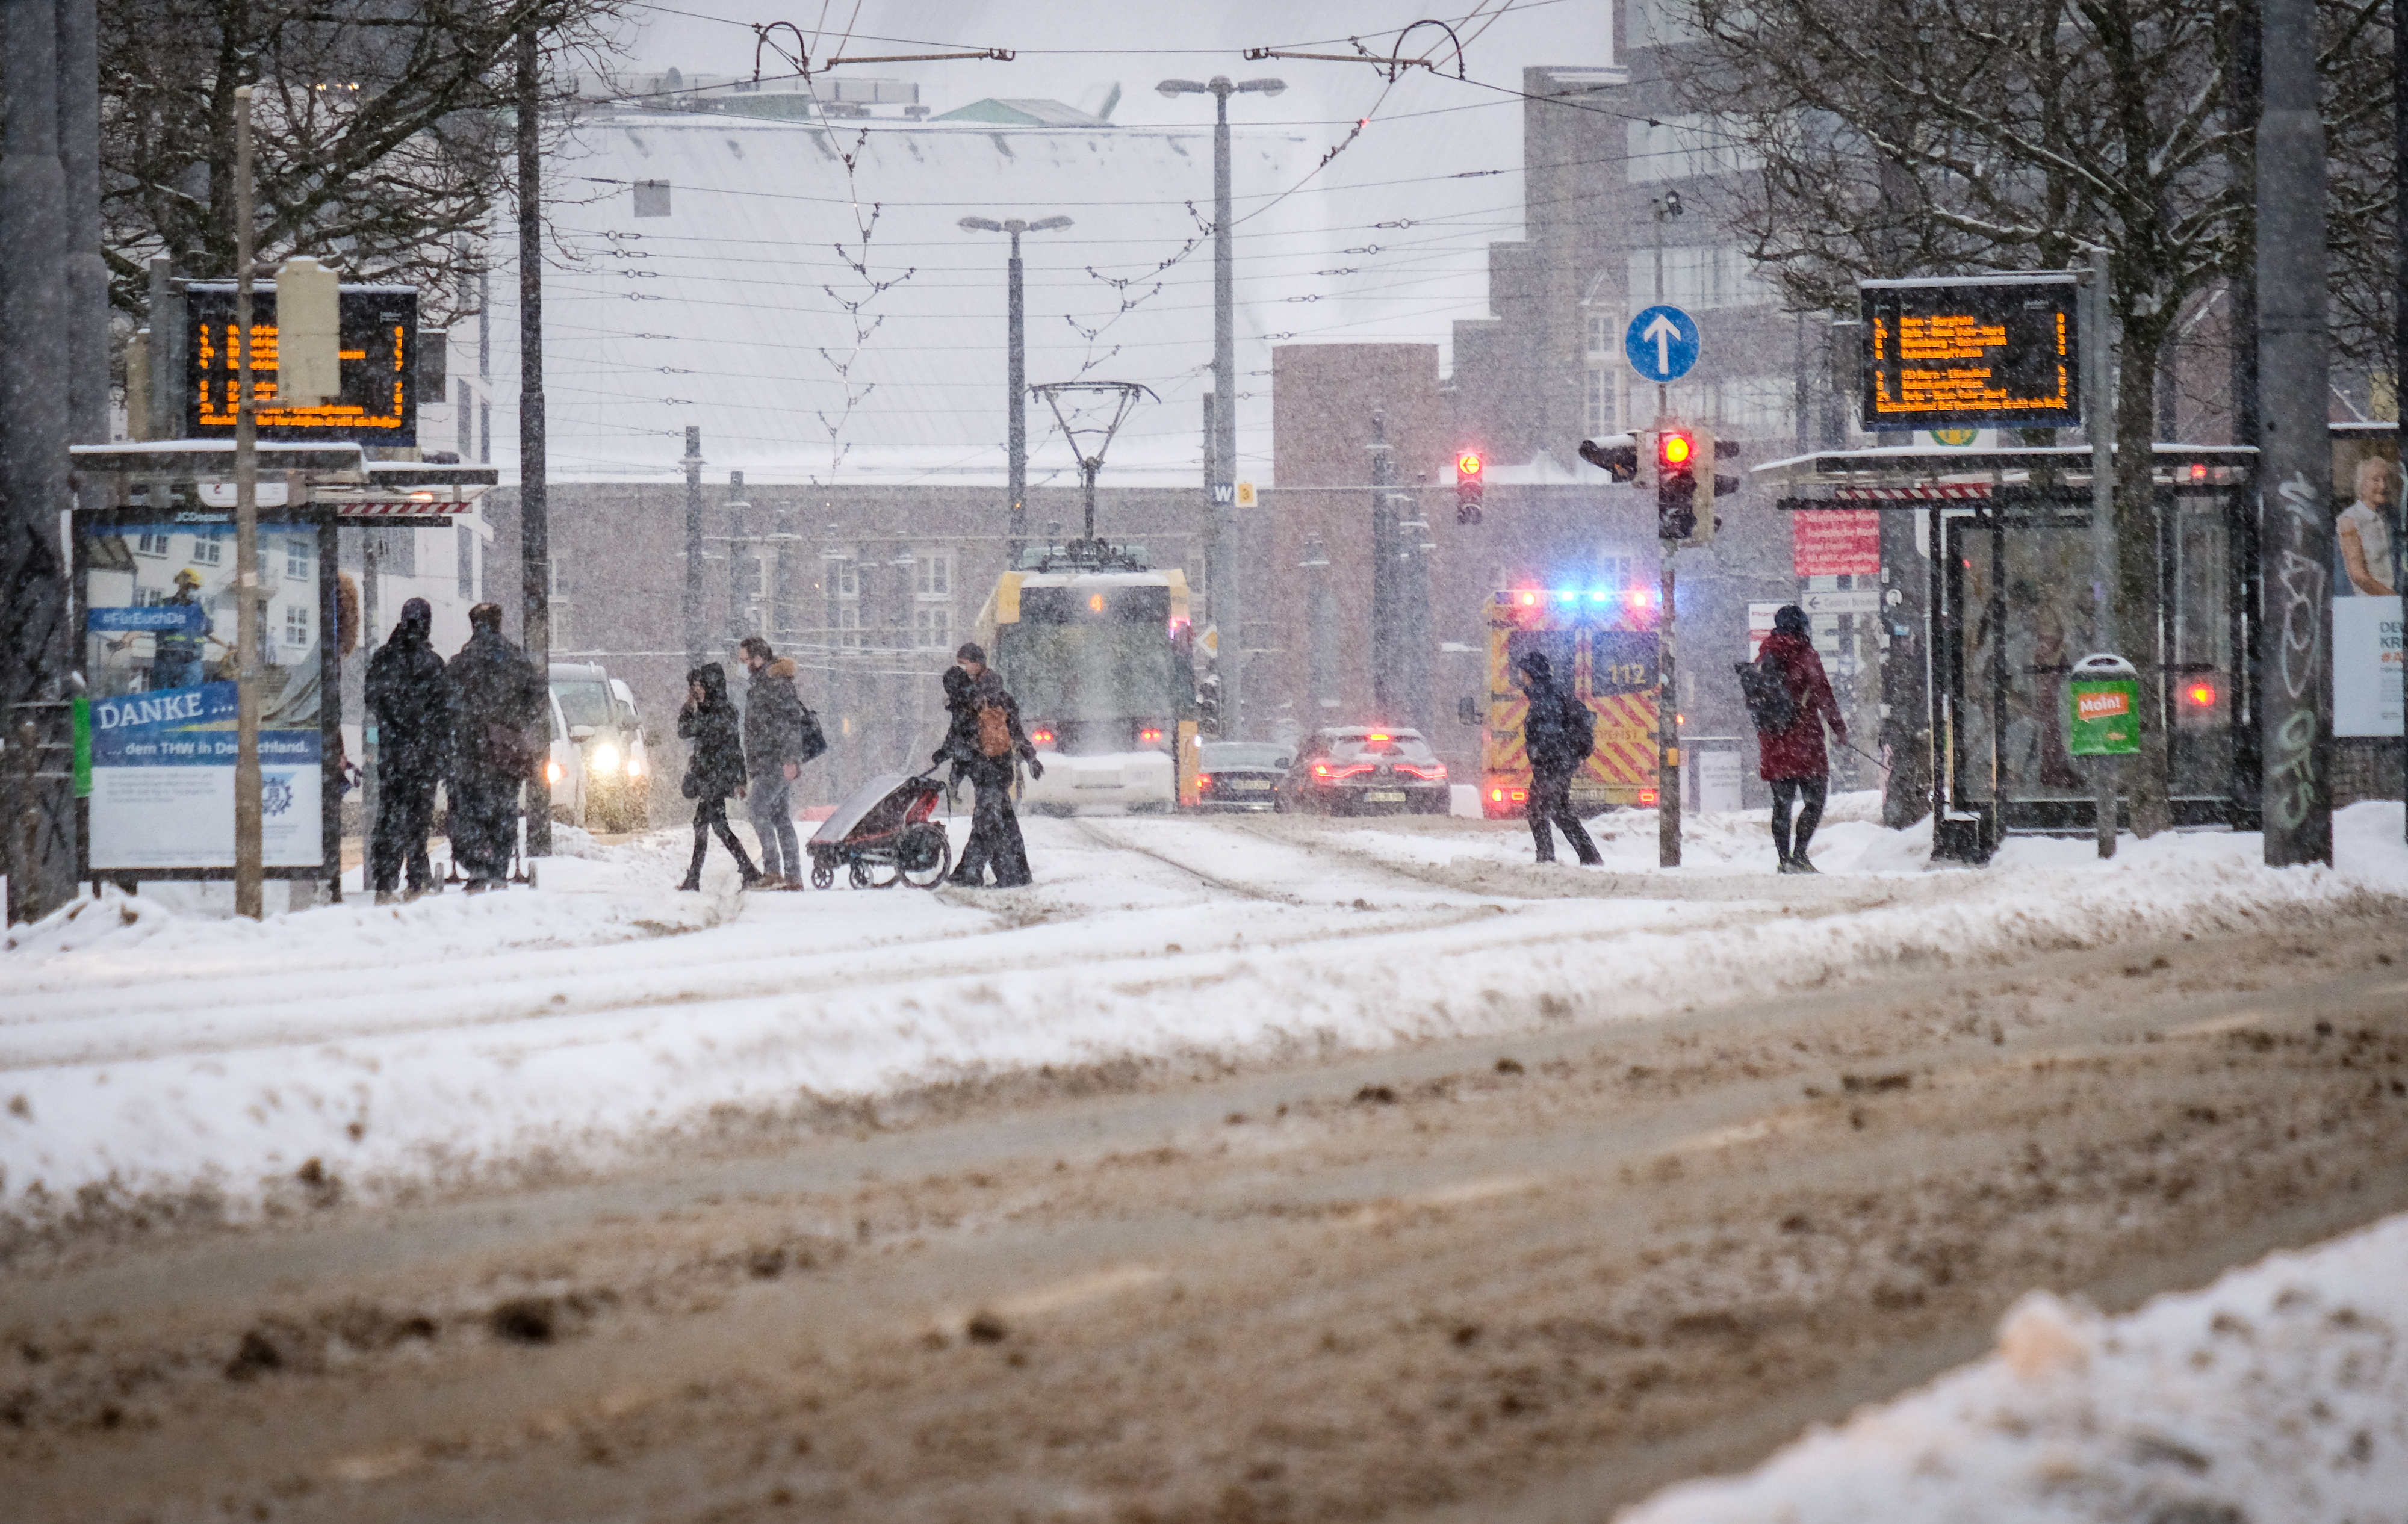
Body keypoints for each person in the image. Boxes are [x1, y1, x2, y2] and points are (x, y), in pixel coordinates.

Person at [447, 602, 547, 891]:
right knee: (504, 808)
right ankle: (499, 868)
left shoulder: (461, 662)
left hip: (470, 751)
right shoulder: (517, 660)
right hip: (506, 750)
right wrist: (515, 723)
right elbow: (537, 697)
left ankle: (478, 862)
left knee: (470, 807)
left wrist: (465, 725)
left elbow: (446, 704)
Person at [364, 597, 453, 903]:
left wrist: (395, 727)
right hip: (423, 759)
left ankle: (384, 884)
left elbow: (372, 701)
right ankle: (417, 881)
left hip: (393, 757)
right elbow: (446, 715)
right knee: (418, 823)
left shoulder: (383, 659)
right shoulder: (434, 666)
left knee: (389, 819)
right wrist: (437, 751)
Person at [937, 642, 1041, 888]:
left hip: (992, 770)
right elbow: (961, 735)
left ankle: (970, 873)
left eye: (964, 662)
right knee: (1003, 821)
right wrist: (948, 759)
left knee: (988, 823)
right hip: (991, 769)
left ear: (978, 663)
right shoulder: (980, 692)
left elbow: (1007, 730)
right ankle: (1017, 874)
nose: (961, 667)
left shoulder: (981, 694)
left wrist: (1030, 756)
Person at [1754, 604, 1848, 874]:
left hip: (1774, 741)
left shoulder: (1764, 656)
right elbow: (1824, 695)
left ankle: (1784, 860)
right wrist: (1838, 728)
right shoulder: (1806, 656)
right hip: (1805, 742)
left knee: (1781, 804)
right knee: (1815, 800)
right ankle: (1800, 855)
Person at [677, 663, 762, 891]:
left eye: (701, 686)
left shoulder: (721, 712)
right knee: (715, 827)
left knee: (706, 826)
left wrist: (739, 780)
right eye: (695, 686)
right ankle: (747, 870)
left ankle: (696, 878)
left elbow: (731, 746)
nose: (698, 690)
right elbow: (684, 731)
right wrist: (691, 704)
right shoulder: (710, 710)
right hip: (709, 777)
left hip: (715, 778)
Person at [736, 636, 811, 890]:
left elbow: (789, 723)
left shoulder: (774, 683)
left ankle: (773, 871)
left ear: (758, 659)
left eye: (746, 660)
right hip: (769, 760)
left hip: (775, 761)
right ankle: (793, 875)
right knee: (779, 816)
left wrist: (790, 759)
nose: (743, 665)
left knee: (757, 810)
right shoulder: (763, 682)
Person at [1513, 650, 1601, 866]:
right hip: (1559, 764)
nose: (1521, 677)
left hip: (1552, 766)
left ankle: (1547, 858)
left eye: (1524, 673)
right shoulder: (1554, 693)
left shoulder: (1545, 699)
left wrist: (1545, 762)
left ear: (1532, 674)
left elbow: (1549, 737)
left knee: (1537, 810)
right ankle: (1589, 857)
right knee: (1559, 812)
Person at [2336, 455, 2398, 596]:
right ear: (2362, 485)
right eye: (2376, 480)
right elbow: (2359, 576)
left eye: (2386, 479)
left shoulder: (2392, 516)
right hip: (2370, 604)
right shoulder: (2350, 520)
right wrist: (2393, 599)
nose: (2383, 486)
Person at [147, 568, 219, 690]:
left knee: (188, 700)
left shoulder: (199, 609)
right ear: (181, 585)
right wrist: (125, 640)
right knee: (161, 700)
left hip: (191, 664)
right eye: (190, 586)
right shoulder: (163, 605)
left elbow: (209, 632)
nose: (193, 590)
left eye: (196, 588)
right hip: (166, 662)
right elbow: (142, 624)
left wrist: (228, 646)